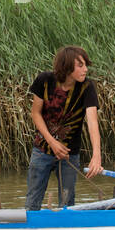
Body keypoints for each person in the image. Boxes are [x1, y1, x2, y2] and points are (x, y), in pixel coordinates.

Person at [25, 46, 102, 210]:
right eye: (80, 65)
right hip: (42, 150)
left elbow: (92, 121)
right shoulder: (44, 81)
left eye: (86, 65)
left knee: (67, 204)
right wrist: (51, 142)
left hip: (69, 155)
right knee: (32, 202)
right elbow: (36, 113)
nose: (85, 69)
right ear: (67, 67)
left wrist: (96, 156)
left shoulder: (87, 87)